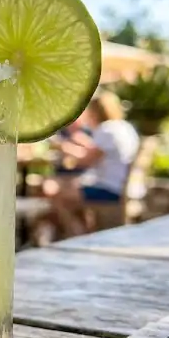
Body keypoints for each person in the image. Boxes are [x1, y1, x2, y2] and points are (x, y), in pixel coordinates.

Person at [45, 91, 140, 236]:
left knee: (58, 194)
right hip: (122, 187)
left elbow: (86, 161)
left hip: (109, 190)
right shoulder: (124, 127)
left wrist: (63, 146)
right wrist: (78, 140)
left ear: (95, 112)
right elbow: (96, 151)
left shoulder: (106, 129)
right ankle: (84, 232)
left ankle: (75, 235)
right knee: (70, 190)